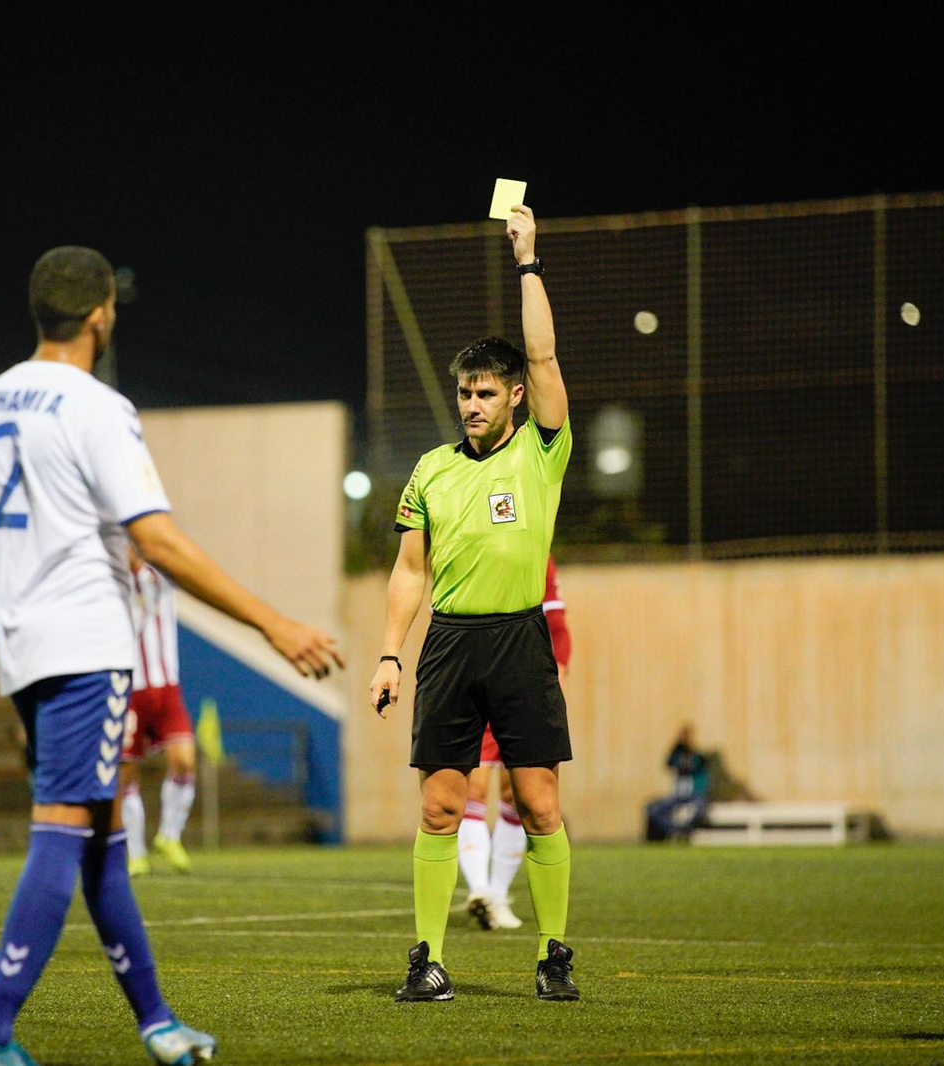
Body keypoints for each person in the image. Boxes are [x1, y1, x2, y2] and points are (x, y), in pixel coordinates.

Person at [0, 245, 341, 1066]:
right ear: (101, 313)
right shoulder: (98, 407)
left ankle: (158, 1026)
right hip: (87, 648)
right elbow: (156, 539)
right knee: (63, 832)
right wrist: (273, 623)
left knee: (101, 841)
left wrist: (2, 621)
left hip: (25, 648)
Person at [370, 204, 578, 1003]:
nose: (471, 404)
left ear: (517, 396)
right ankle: (427, 959)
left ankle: (554, 955)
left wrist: (527, 259)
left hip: (520, 640)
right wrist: (391, 652)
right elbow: (408, 572)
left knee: (538, 801)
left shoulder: (542, 449)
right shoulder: (430, 470)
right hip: (450, 645)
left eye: (486, 392)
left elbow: (548, 353)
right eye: (464, 393)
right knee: (439, 805)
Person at [460, 555, 569, 930]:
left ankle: (497, 894)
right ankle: (479, 890)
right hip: (473, 677)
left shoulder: (537, 554)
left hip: (522, 682)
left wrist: (557, 669)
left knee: (515, 796)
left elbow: (555, 621)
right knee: (471, 787)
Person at [122, 544, 197, 876]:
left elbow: (182, 560)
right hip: (129, 689)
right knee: (126, 774)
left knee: (184, 761)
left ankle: (169, 837)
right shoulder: (110, 585)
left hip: (166, 686)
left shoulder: (160, 578)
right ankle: (135, 852)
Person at [644, 725, 710, 842]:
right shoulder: (678, 754)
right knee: (654, 810)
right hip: (678, 796)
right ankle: (673, 829)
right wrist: (677, 746)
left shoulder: (698, 757)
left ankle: (684, 830)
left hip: (695, 795)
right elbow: (668, 763)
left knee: (699, 810)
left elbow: (702, 770)